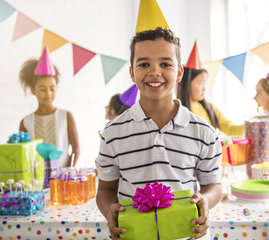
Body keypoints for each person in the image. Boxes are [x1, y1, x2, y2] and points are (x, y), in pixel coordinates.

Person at [95, 28, 222, 240]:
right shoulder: (113, 132)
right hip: (133, 235)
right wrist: (109, 210)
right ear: (132, 73)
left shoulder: (203, 132)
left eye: (165, 64)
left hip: (186, 235)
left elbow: (214, 185)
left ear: (179, 72)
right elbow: (105, 189)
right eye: (144, 64)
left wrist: (206, 201)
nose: (155, 71)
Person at [19, 46, 80, 168]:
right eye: (43, 89)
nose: (48, 93)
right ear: (33, 90)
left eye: (52, 89)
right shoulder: (26, 122)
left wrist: (67, 172)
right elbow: (22, 154)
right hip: (36, 182)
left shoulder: (66, 116)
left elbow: (76, 148)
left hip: (62, 180)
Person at [177, 41, 244, 137]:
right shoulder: (177, 110)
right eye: (200, 83)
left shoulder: (210, 108)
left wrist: (251, 125)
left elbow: (230, 128)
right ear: (187, 84)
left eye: (205, 83)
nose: (204, 88)